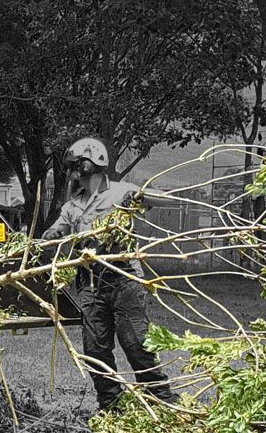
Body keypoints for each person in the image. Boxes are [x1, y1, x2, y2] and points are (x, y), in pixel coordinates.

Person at [42, 137, 176, 412]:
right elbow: (56, 231)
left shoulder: (121, 192)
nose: (71, 173)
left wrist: (142, 196)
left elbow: (162, 200)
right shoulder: (72, 206)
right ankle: (111, 406)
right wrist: (52, 235)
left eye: (75, 167)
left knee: (136, 344)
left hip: (123, 278)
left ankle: (162, 401)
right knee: (95, 351)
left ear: (88, 165)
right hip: (90, 283)